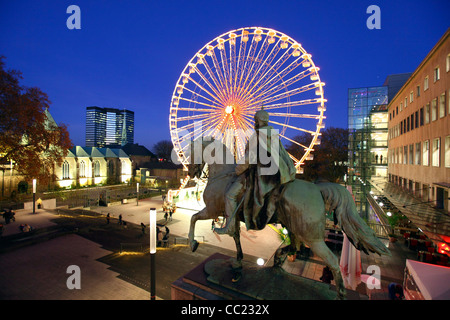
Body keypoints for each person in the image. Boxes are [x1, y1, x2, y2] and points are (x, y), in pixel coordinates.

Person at [218, 107, 296, 235]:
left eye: (255, 120)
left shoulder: (258, 135)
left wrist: (238, 170)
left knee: (230, 195)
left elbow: (250, 158)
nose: (254, 122)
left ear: (258, 120)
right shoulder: (273, 134)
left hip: (260, 175)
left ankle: (230, 227)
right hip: (276, 175)